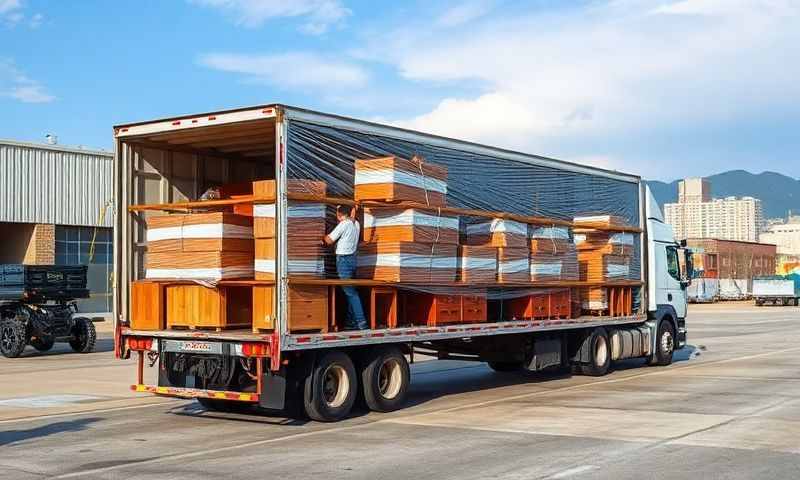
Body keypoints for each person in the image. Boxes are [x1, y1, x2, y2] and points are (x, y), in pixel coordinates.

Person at [323, 204, 368, 330]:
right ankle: (350, 323)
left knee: (350, 293)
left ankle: (361, 322)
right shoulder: (356, 224)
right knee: (350, 291)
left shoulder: (344, 224)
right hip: (353, 259)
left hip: (343, 260)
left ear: (339, 214)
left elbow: (329, 240)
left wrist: (322, 238)